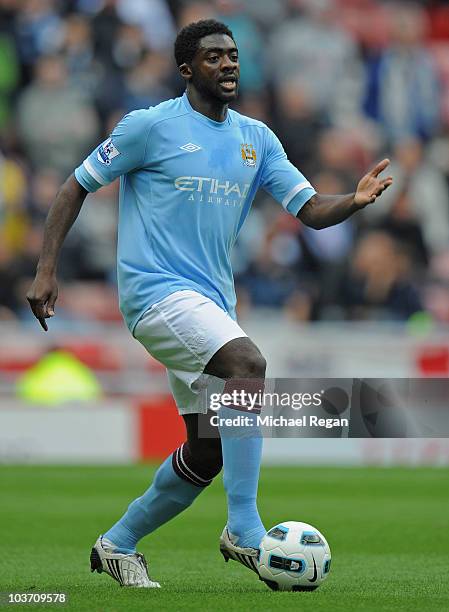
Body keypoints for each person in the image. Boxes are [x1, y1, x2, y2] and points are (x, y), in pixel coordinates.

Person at [26, 19, 393, 589]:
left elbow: (309, 209)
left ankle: (116, 544)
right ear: (186, 69)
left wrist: (355, 199)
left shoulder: (257, 138)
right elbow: (76, 184)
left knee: (206, 451)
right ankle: (244, 530)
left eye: (234, 55)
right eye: (215, 55)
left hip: (212, 304)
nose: (228, 64)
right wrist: (47, 270)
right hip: (155, 293)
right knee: (248, 365)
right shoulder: (149, 127)